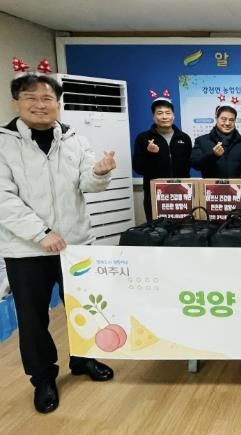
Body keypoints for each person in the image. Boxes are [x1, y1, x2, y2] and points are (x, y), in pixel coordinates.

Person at [0, 73, 117, 413]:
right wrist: (41, 234)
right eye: (31, 98)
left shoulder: (74, 139)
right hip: (26, 250)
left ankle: (84, 359)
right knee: (33, 318)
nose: (40, 104)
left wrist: (100, 172)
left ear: (58, 103)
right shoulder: (4, 143)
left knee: (85, 307)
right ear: (16, 103)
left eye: (47, 98)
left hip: (75, 245)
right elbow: (4, 200)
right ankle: (43, 379)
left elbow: (87, 183)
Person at [132, 96, 192, 221]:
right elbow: (138, 168)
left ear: (173, 116)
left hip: (181, 192)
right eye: (159, 113)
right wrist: (149, 153)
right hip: (155, 193)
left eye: (168, 113)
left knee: (183, 227)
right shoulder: (143, 138)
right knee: (156, 228)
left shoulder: (184, 138)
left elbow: (188, 166)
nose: (164, 117)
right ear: (153, 117)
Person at [190, 105, 241, 178]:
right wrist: (213, 155)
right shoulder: (201, 141)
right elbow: (195, 164)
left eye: (231, 120)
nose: (227, 123)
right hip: (211, 185)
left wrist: (240, 181)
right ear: (216, 118)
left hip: (239, 185)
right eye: (224, 119)